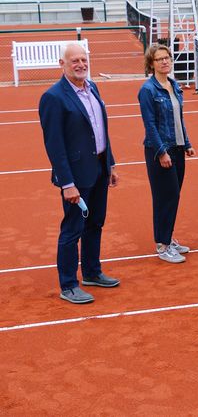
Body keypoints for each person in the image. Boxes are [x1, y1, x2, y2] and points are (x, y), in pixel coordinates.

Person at [38, 42, 120, 304]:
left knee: (95, 223)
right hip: (75, 176)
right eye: (74, 61)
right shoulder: (53, 97)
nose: (81, 65)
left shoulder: (92, 87)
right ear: (62, 64)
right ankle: (69, 284)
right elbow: (55, 145)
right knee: (73, 228)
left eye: (83, 60)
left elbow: (100, 131)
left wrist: (110, 164)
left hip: (98, 168)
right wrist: (67, 183)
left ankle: (92, 272)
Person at [138, 44, 196, 264]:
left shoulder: (174, 85)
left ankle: (168, 238)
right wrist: (162, 152)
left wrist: (187, 143)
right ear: (151, 64)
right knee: (165, 197)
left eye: (167, 57)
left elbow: (178, 118)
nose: (165, 61)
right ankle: (162, 245)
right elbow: (150, 125)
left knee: (174, 195)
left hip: (178, 148)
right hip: (159, 151)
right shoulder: (148, 90)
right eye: (159, 59)